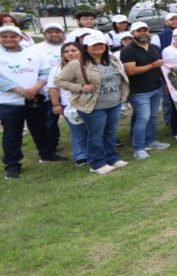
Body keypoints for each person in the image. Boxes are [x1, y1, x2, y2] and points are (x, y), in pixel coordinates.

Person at [55, 34, 130, 175]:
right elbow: (59, 81)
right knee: (96, 135)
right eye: (94, 45)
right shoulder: (76, 64)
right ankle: (97, 163)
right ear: (86, 48)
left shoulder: (112, 59)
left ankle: (112, 157)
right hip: (93, 106)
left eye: (102, 44)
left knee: (110, 132)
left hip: (114, 103)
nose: (99, 47)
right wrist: (81, 87)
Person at [0, 25, 64, 178]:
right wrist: (20, 91)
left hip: (34, 98)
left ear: (20, 38)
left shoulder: (34, 53)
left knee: (40, 128)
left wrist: (35, 88)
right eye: (4, 36)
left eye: (13, 36)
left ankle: (46, 154)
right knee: (12, 134)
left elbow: (45, 72)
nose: (9, 39)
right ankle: (13, 165)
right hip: (9, 102)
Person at [119, 22, 169, 161]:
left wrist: (164, 83)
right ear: (132, 33)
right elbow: (130, 71)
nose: (142, 33)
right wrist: (152, 65)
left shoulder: (154, 48)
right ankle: (138, 148)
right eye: (138, 31)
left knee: (152, 117)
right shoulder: (128, 50)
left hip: (156, 87)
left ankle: (151, 141)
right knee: (143, 119)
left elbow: (160, 68)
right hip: (139, 91)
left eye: (145, 30)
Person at [47, 42, 89, 167]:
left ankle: (95, 152)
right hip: (69, 105)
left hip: (90, 103)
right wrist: (55, 104)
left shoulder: (88, 65)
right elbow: (53, 88)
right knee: (77, 130)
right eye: (66, 51)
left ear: (81, 51)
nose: (70, 53)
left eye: (73, 50)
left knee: (93, 129)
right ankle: (80, 155)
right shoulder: (57, 69)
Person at [32, 23, 66, 158]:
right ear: (44, 34)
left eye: (57, 31)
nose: (54, 34)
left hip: (69, 91)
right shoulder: (36, 49)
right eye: (50, 32)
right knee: (49, 121)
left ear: (63, 33)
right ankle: (50, 147)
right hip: (47, 91)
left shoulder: (70, 46)